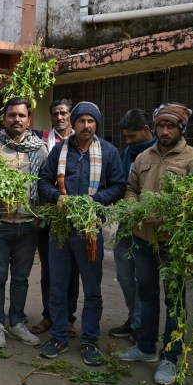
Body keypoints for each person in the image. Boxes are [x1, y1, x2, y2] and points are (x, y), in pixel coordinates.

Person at [117, 103, 193, 385]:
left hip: (174, 243)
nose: (165, 131)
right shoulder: (143, 157)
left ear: (182, 129)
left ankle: (170, 357)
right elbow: (131, 189)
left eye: (171, 126)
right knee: (146, 294)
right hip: (143, 239)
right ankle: (145, 347)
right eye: (161, 126)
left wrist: (166, 218)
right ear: (154, 128)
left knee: (175, 301)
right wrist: (134, 208)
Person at [37, 101, 125, 365]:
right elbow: (44, 181)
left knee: (92, 288)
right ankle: (58, 337)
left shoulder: (108, 151)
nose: (86, 125)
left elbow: (118, 186)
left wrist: (95, 200)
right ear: (73, 124)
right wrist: (56, 197)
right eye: (81, 121)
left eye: (91, 121)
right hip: (61, 229)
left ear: (96, 124)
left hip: (90, 230)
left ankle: (89, 341)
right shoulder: (60, 150)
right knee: (58, 287)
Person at [0, 98, 47, 348]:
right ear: (4, 118)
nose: (16, 119)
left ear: (28, 119)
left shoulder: (40, 148)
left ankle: (17, 321)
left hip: (28, 225)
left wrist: (39, 217)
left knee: (21, 278)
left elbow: (45, 184)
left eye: (21, 115)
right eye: (12, 115)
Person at [32, 99, 80, 339]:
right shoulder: (41, 141)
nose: (59, 117)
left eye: (64, 113)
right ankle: (49, 315)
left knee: (71, 271)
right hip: (47, 215)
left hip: (74, 217)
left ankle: (68, 319)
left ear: (71, 115)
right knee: (49, 270)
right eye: (55, 114)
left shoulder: (82, 142)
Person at [109, 109, 157, 341]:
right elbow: (121, 184)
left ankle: (144, 327)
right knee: (125, 275)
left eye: (132, 136)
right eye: (126, 137)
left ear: (146, 130)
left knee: (146, 280)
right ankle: (135, 319)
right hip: (127, 223)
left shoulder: (159, 151)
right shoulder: (127, 153)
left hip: (152, 226)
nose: (128, 141)